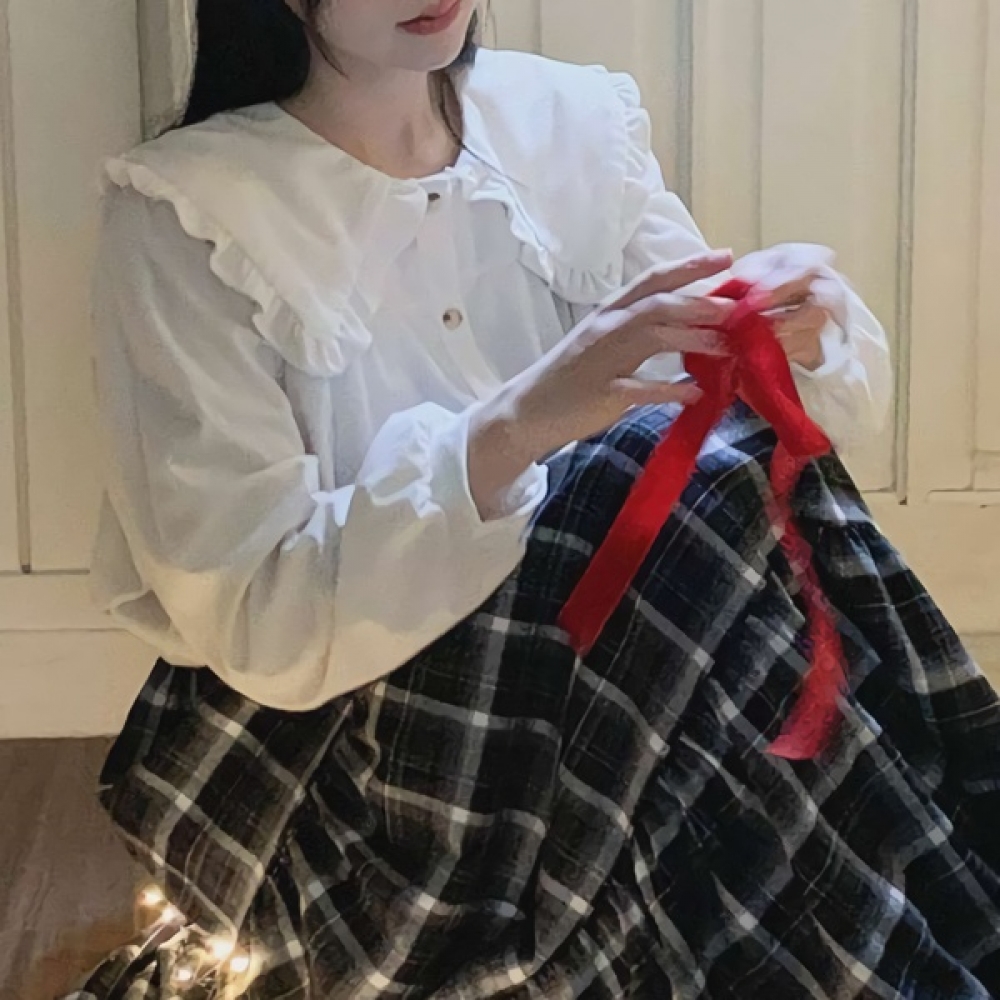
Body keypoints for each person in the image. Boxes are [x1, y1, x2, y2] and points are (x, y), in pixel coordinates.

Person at [66, 0, 1000, 997]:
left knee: (703, 493)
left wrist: (784, 332)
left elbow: (719, 429)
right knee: (671, 508)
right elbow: (258, 615)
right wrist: (514, 427)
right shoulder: (186, 216)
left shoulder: (571, 124)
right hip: (335, 757)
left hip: (632, 686)